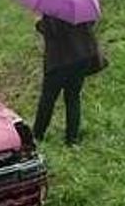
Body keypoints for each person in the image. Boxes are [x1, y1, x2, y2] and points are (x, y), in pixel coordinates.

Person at [33, 14, 105, 145]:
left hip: (59, 60)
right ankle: (72, 139)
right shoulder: (81, 5)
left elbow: (51, 32)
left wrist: (39, 23)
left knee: (47, 99)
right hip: (82, 56)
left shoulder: (52, 8)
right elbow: (91, 22)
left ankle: (38, 135)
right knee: (73, 98)